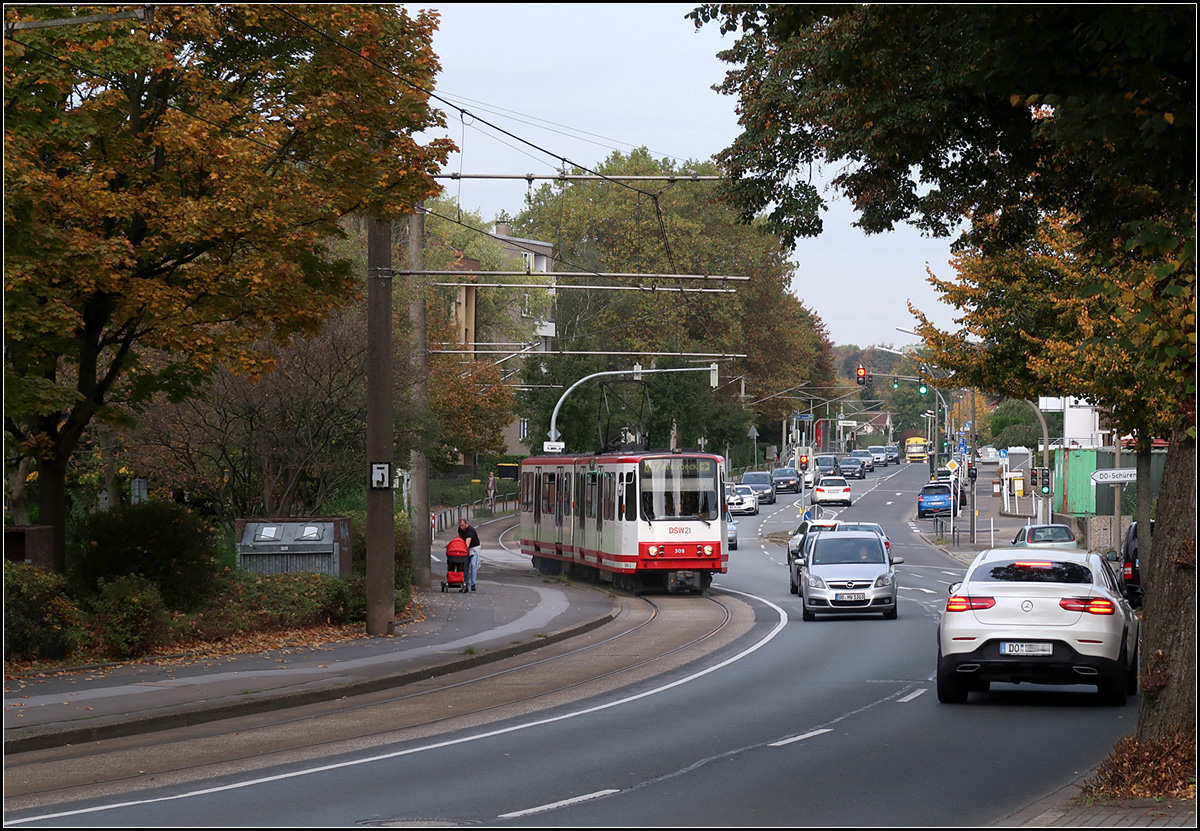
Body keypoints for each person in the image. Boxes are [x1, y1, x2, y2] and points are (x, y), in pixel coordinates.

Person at [458, 518, 481, 591]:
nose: (461, 527)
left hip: (474, 548)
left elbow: (468, 541)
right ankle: (466, 584)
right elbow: (459, 537)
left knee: (473, 565)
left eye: (462, 525)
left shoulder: (470, 530)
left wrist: (464, 548)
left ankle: (473, 584)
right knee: (465, 566)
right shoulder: (460, 529)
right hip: (466, 549)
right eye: (460, 525)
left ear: (465, 524)